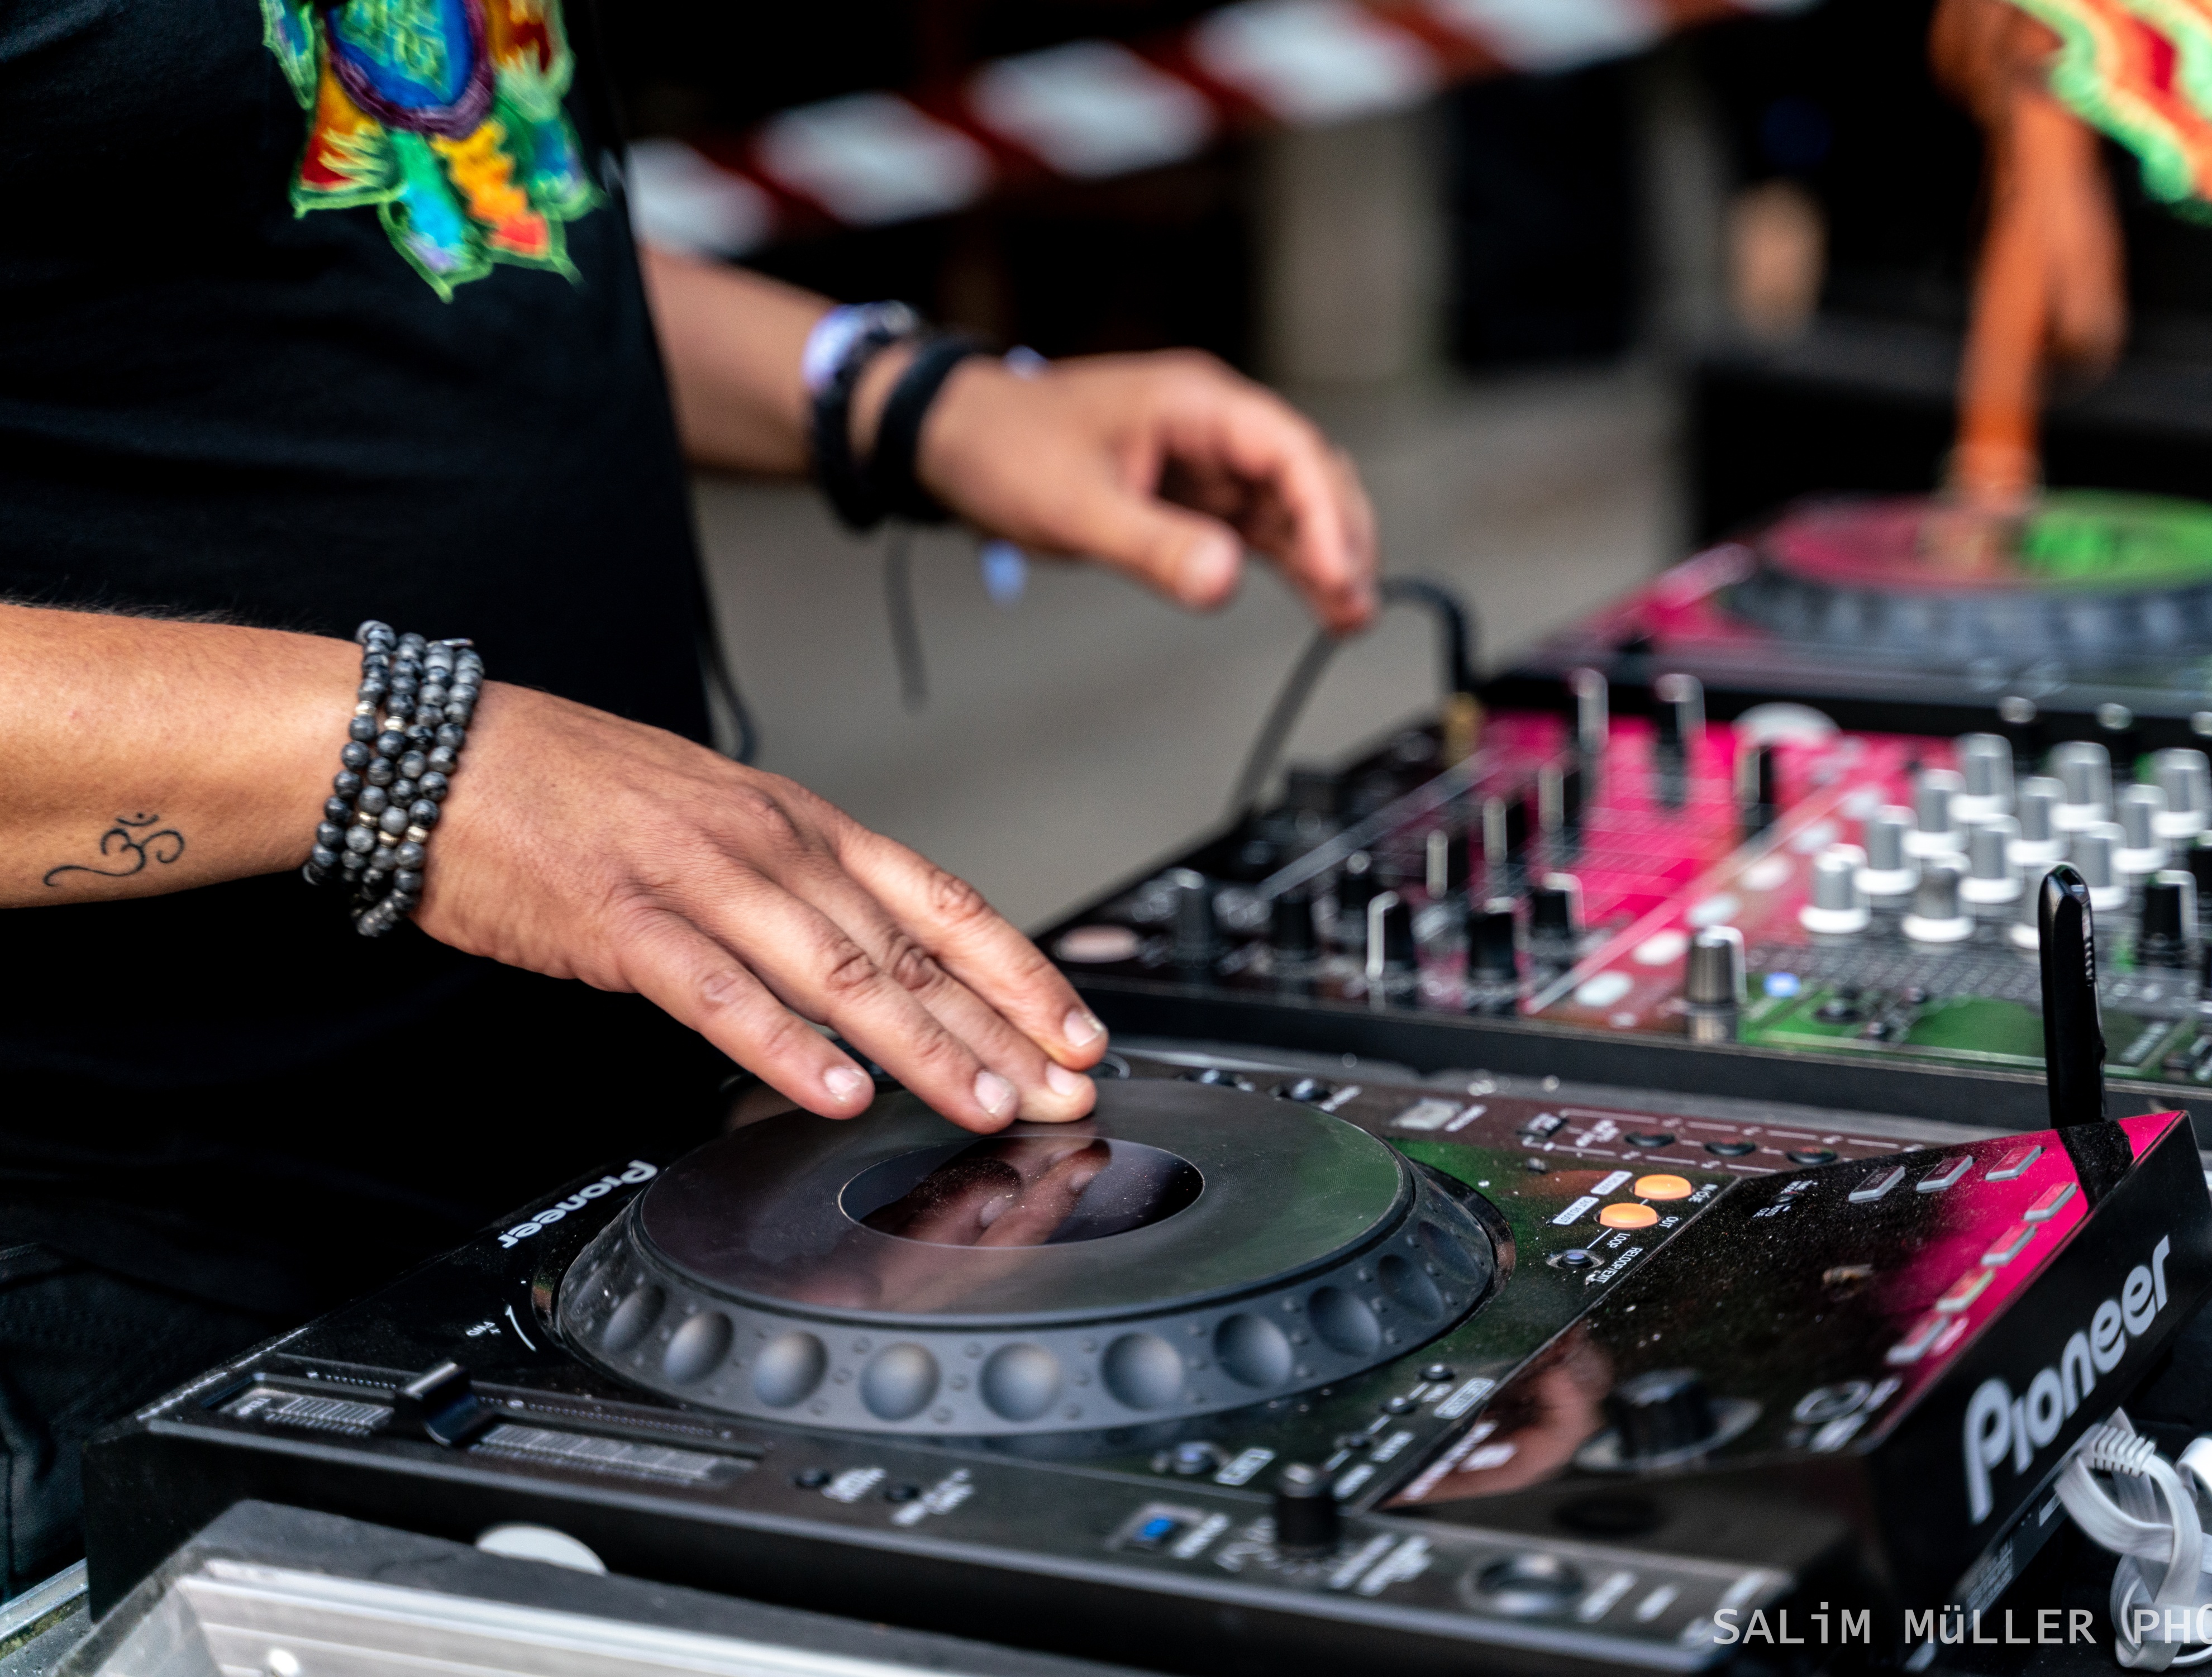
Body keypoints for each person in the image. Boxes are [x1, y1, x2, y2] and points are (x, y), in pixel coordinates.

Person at [0, 0, 1376, 1592]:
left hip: (601, 1185)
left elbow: (422, 225)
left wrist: (898, 399)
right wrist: (424, 764)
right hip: (110, 1284)